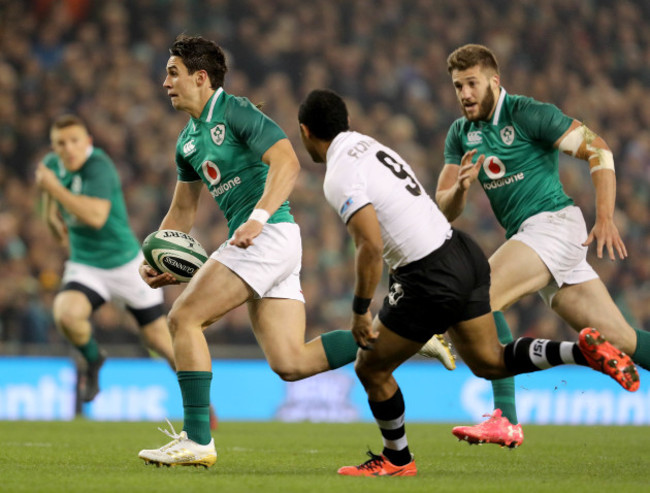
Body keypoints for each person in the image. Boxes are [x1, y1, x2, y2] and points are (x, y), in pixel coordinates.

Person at [135, 34, 454, 468]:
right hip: (266, 242)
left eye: (173, 72)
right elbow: (182, 211)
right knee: (290, 362)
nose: (165, 81)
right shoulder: (187, 143)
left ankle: (197, 439)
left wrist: (258, 218)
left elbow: (287, 161)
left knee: (183, 318)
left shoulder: (236, 111)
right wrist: (152, 259)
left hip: (267, 236)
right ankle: (408, 336)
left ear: (201, 77)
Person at [297, 88, 638, 477]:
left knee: (370, 368)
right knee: (489, 361)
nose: (463, 92)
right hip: (462, 252)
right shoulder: (370, 145)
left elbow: (370, 245)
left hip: (426, 276)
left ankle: (398, 459)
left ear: (306, 132)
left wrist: (360, 310)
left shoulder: (338, 173)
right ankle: (580, 353)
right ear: (346, 122)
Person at [436, 43, 648, 448]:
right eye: (458, 86)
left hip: (553, 225)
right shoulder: (460, 134)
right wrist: (461, 189)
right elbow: (442, 209)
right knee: (622, 340)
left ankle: (505, 419)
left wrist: (605, 216)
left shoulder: (528, 113)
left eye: (472, 84)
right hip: (532, 238)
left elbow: (598, 148)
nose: (464, 94)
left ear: (494, 82)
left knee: (478, 297)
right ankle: (584, 356)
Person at [34, 115, 179, 405]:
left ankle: (201, 400)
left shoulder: (99, 166)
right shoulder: (52, 167)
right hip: (86, 265)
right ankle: (93, 358)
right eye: (60, 143)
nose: (68, 148)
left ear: (87, 142)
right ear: (54, 147)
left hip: (125, 264)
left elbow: (96, 217)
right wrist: (52, 218)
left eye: (75, 141)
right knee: (66, 314)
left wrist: (54, 190)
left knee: (159, 341)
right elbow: (52, 215)